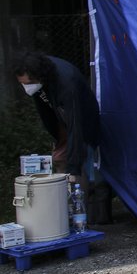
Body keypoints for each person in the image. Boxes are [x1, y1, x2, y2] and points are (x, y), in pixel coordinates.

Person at [13, 52, 100, 187]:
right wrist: (57, 137)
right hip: (62, 119)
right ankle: (63, 194)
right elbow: (46, 111)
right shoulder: (39, 76)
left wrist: (73, 169)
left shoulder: (67, 83)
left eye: (29, 83)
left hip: (83, 122)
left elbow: (75, 124)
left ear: (39, 77)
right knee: (59, 158)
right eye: (22, 84)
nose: (26, 88)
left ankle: (81, 200)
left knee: (82, 164)